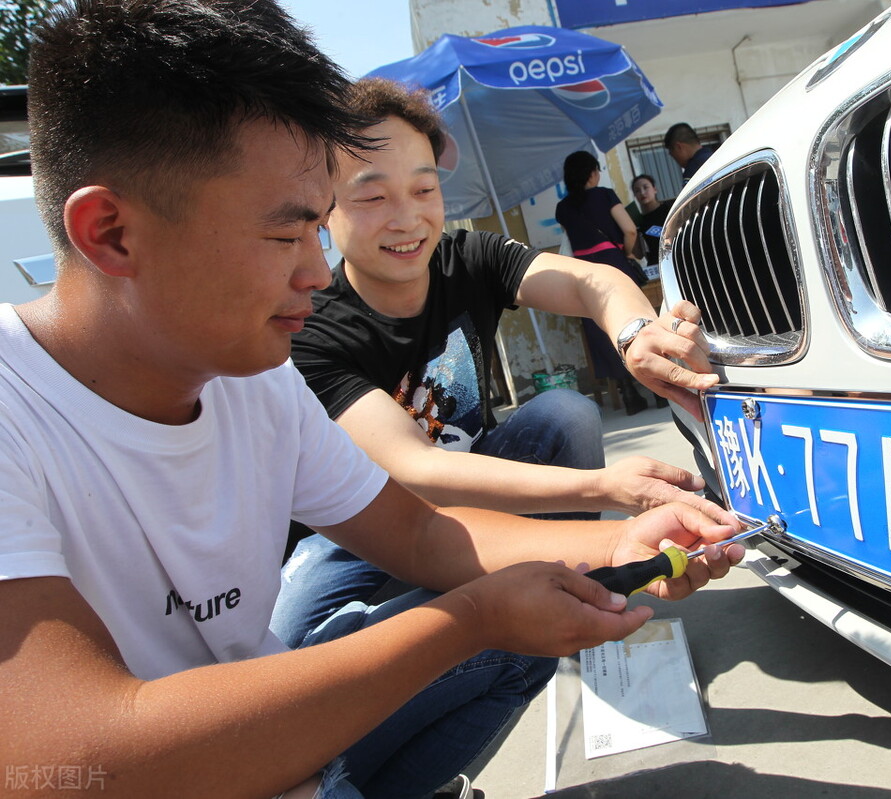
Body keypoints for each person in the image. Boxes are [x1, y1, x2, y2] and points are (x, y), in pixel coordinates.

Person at [0, 4, 743, 799]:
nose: (313, 275)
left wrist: (618, 543)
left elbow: (420, 531)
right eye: (288, 236)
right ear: (111, 233)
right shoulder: (22, 411)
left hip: (281, 745)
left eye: (424, 189)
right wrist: (471, 618)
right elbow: (71, 759)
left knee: (538, 608)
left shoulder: (256, 378)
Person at [276, 79, 727, 646]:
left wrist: (636, 332)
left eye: (424, 189)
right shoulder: (313, 328)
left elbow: (592, 280)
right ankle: (496, 609)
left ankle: (569, 590)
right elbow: (417, 470)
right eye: (372, 197)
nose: (407, 219)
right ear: (323, 212)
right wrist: (608, 487)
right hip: (366, 522)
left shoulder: (467, 255)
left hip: (481, 481)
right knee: (297, 638)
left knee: (564, 414)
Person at [554, 150, 658, 415]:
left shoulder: (563, 208)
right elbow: (630, 229)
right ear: (592, 173)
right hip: (614, 263)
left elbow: (569, 243)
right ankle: (659, 388)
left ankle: (628, 393)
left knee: (601, 330)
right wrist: (626, 252)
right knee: (636, 320)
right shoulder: (605, 194)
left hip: (584, 273)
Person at [631, 173, 674, 271]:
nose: (642, 193)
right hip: (658, 266)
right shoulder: (638, 221)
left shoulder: (669, 209)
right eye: (637, 191)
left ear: (655, 189)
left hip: (676, 257)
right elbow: (638, 254)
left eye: (645, 187)